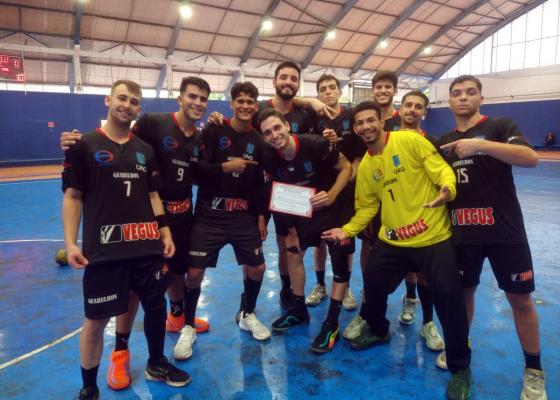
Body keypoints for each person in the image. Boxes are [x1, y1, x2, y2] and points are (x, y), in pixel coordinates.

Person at [59, 76, 210, 389]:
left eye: (133, 102)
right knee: (96, 319)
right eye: (122, 98)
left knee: (155, 304)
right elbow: (72, 196)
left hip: (146, 242)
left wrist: (163, 229)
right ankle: (90, 387)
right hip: (104, 248)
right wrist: (71, 243)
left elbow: (153, 193)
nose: (127, 106)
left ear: (139, 109)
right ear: (108, 100)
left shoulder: (145, 150)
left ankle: (157, 363)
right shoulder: (84, 145)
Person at [322, 101, 472, 400]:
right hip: (392, 240)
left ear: (382, 121)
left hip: (433, 237)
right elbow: (367, 208)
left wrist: (447, 189)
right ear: (355, 129)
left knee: (449, 299)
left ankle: (460, 368)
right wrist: (347, 230)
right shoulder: (366, 166)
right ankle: (378, 329)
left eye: (371, 120)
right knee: (373, 285)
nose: (366, 126)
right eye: (360, 123)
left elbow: (442, 171)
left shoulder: (410, 141)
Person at [439, 75, 546, 400]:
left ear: (481, 98)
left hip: (505, 232)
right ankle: (461, 350)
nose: (463, 97)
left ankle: (533, 371)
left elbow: (530, 158)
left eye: (470, 92)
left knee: (521, 300)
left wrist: (480, 145)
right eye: (456, 93)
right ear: (449, 101)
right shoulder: (443, 141)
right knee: (463, 296)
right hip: (462, 233)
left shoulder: (499, 126)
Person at [208, 61, 336, 311]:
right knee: (282, 243)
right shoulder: (261, 110)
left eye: (293, 78)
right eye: (283, 77)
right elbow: (240, 121)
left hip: (302, 190)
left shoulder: (306, 112)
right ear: (275, 81)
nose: (288, 82)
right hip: (272, 190)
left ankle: (316, 285)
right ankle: (284, 289)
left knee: (309, 243)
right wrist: (218, 119)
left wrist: (312, 105)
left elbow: (314, 142)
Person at [176, 81, 271, 361]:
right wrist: (225, 168)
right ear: (231, 104)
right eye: (240, 101)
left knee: (257, 267)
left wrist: (262, 216)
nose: (245, 106)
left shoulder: (259, 141)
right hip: (210, 215)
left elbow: (260, 184)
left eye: (250, 102)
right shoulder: (214, 130)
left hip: (244, 216)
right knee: (194, 273)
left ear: (256, 106)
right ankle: (188, 326)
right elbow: (195, 171)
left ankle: (247, 314)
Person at [258, 108, 353, 353]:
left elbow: (346, 168)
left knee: (339, 258)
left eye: (277, 128)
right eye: (267, 132)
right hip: (298, 209)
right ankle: (298, 310)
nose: (274, 135)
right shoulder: (268, 156)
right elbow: (277, 191)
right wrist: (288, 227)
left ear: (287, 126)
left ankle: (331, 323)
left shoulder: (316, 144)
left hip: (331, 208)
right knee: (292, 252)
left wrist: (332, 195)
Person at [305, 73, 364, 311]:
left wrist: (346, 181)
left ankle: (344, 286)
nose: (328, 92)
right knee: (319, 240)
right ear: (318, 95)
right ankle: (320, 285)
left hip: (346, 189)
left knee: (344, 238)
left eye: (332, 87)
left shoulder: (351, 116)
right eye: (323, 89)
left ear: (340, 91)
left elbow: (359, 155)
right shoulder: (311, 117)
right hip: (319, 188)